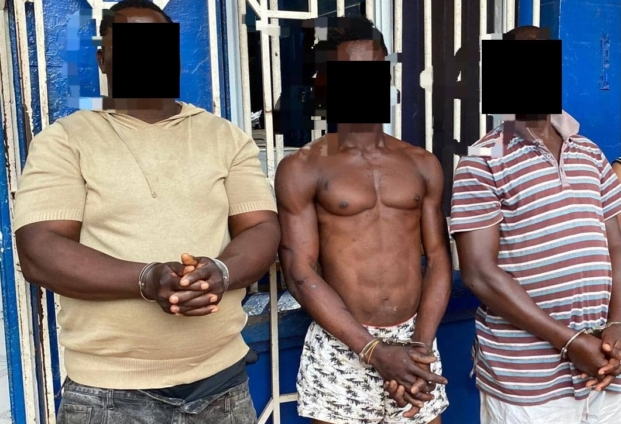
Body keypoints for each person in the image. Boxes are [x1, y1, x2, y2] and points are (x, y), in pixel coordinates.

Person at [13, 1, 280, 423]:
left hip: (222, 386)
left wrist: (222, 272)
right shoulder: (65, 141)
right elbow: (39, 251)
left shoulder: (225, 138)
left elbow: (262, 226)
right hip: (108, 396)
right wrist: (148, 278)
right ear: (103, 59)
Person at [275, 16, 451, 424]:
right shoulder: (303, 168)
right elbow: (299, 271)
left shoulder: (422, 164)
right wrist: (372, 350)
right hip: (342, 344)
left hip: (415, 339)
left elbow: (440, 258)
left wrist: (419, 350)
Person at [449, 25, 621, 424]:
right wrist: (570, 341)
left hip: (605, 369)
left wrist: (617, 323)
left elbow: (617, 246)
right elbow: (479, 274)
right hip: (527, 381)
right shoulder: (482, 161)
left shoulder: (590, 154)